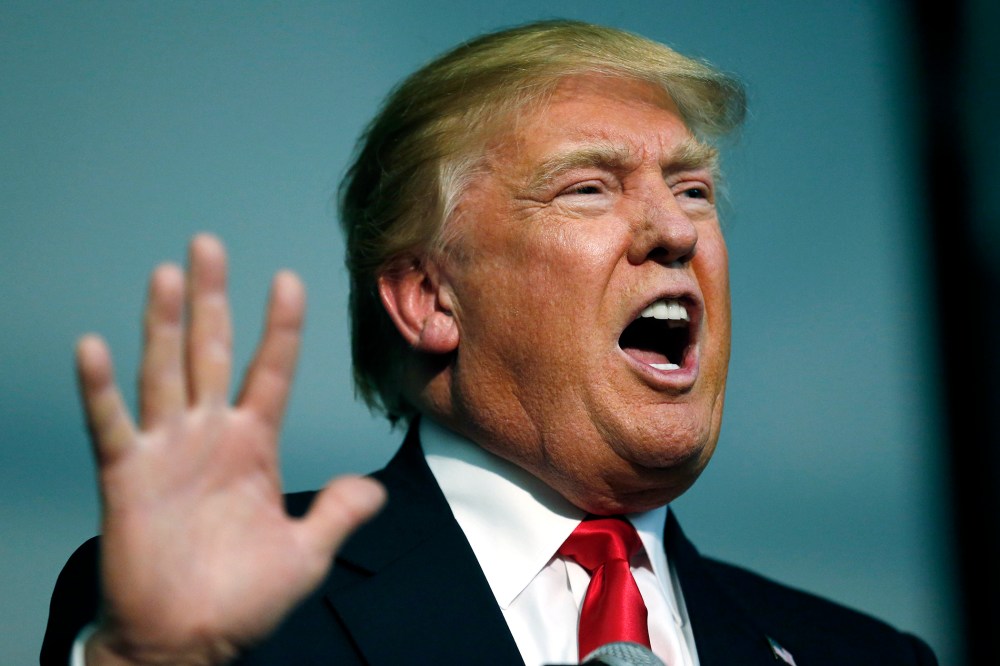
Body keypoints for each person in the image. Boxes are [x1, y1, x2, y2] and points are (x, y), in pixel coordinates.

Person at [42, 20, 938, 666]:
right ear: (430, 298)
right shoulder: (223, 607)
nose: (675, 230)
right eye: (589, 189)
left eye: (694, 191)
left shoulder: (862, 654)